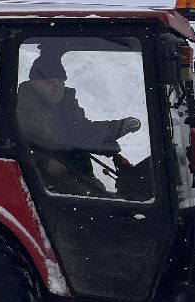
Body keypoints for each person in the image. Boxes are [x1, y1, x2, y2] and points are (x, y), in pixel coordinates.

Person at [17, 50, 141, 196]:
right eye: (50, 82)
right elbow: (17, 145)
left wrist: (115, 128)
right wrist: (45, 163)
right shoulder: (22, 110)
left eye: (60, 82)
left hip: (74, 172)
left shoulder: (65, 106)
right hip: (42, 181)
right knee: (97, 202)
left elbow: (83, 132)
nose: (57, 88)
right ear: (34, 82)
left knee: (112, 194)